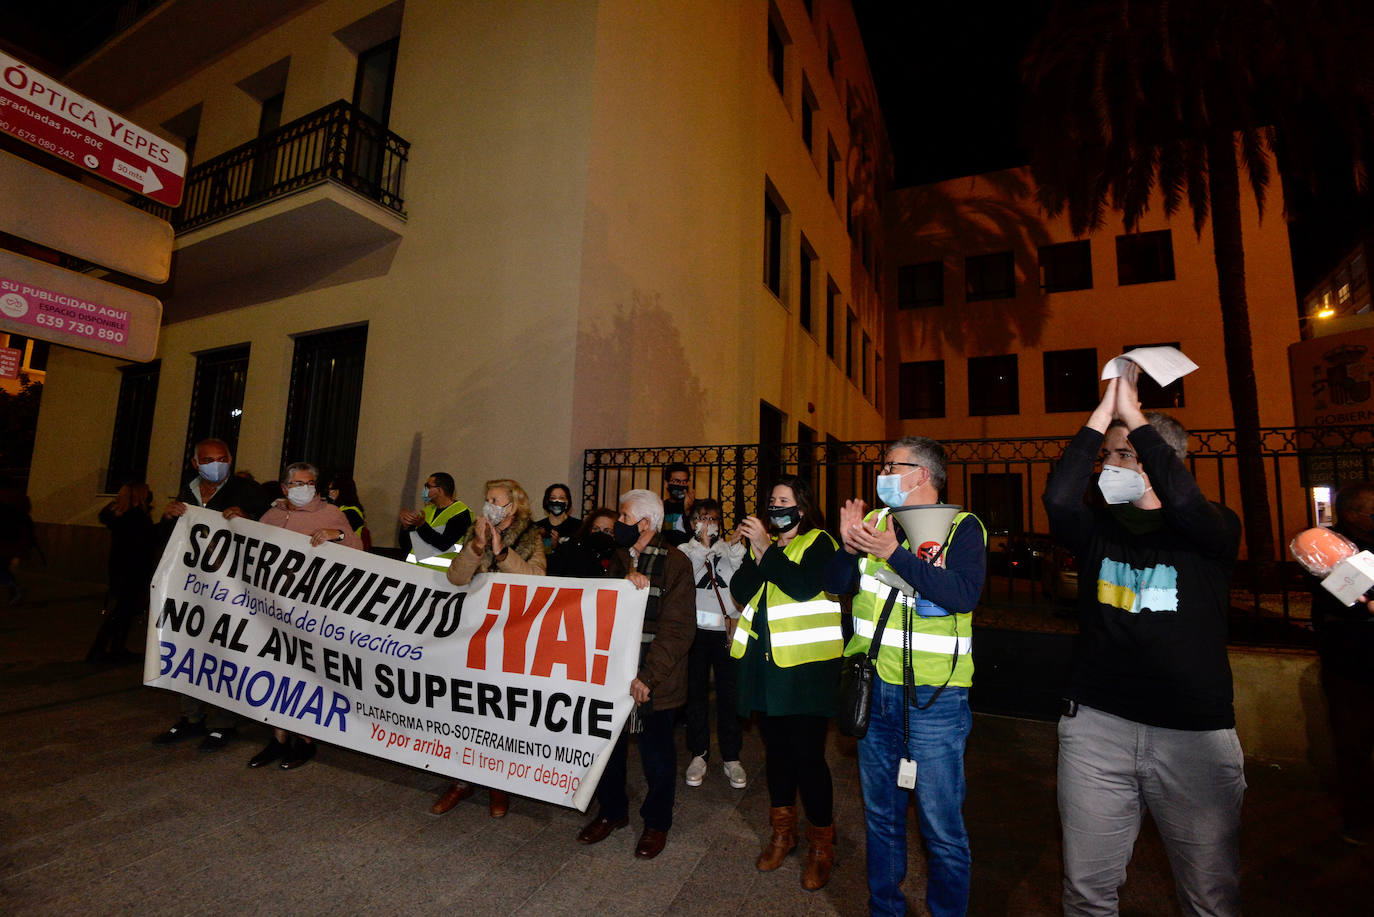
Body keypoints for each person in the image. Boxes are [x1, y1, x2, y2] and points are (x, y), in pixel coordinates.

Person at [1042, 365, 1245, 917]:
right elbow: (1059, 500)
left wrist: (1136, 419)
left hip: (1193, 738)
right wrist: (1104, 416)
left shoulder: (1212, 529)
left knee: (1209, 896)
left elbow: (1184, 505)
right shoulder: (1097, 529)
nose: (1108, 466)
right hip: (1098, 730)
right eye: (1106, 457)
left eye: (1123, 455)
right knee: (1087, 892)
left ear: (1162, 463)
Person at [823, 436, 987, 917]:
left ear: (923, 474)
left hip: (936, 701)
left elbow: (962, 594)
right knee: (881, 819)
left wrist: (895, 553)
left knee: (941, 826)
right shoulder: (874, 521)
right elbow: (836, 585)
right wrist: (848, 543)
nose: (883, 475)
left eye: (892, 466)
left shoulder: (962, 528)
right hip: (875, 693)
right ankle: (885, 909)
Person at [730, 476, 842, 889]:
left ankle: (821, 845)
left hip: (806, 672)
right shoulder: (767, 548)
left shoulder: (820, 543)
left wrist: (763, 550)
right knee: (776, 755)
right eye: (772, 501)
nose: (775, 507)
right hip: (766, 670)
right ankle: (783, 834)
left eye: (784, 500)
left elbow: (801, 586)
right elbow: (741, 588)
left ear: (802, 507)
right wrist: (760, 552)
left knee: (808, 759)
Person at [576, 489, 695, 859]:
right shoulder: (615, 558)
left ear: (645, 524)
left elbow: (677, 630)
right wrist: (624, 578)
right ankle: (612, 812)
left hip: (656, 681)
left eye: (624, 518)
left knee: (656, 757)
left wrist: (648, 677)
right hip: (611, 676)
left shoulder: (676, 563)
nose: (618, 525)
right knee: (607, 752)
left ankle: (656, 823)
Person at [432, 478, 546, 819]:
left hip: (510, 636)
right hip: (473, 634)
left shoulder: (530, 537)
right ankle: (461, 781)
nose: (488, 505)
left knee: (498, 713)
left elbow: (538, 579)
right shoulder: (473, 531)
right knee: (464, 708)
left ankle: (499, 784)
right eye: (486, 499)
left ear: (513, 505)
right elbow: (455, 577)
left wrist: (502, 552)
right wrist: (477, 548)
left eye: (495, 500)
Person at [152, 437, 272, 751]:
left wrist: (250, 522)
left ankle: (224, 723)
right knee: (188, 650)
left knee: (226, 653)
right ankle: (191, 718)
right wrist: (167, 518)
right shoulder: (186, 492)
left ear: (230, 460)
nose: (215, 464)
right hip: (190, 590)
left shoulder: (247, 493)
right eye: (207, 459)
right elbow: (169, 541)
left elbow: (271, 535)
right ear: (195, 463)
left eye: (221, 458)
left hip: (230, 592)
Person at [247, 462, 363, 770]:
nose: (305, 488)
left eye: (309, 482)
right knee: (273, 669)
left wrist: (337, 535)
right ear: (285, 488)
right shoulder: (273, 515)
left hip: (311, 608)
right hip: (272, 607)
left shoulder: (331, 513)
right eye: (297, 483)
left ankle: (306, 740)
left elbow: (358, 549)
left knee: (303, 672)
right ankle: (278, 737)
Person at [1309, 480, 1374, 847]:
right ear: (1350, 513)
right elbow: (1346, 594)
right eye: (1371, 511)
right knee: (1353, 743)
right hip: (1350, 662)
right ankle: (1358, 820)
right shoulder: (1322, 545)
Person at [680, 498, 747, 791]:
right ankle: (699, 753)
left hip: (725, 633)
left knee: (728, 695)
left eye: (714, 518)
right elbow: (688, 579)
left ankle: (732, 757)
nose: (709, 524)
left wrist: (733, 550)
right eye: (702, 518)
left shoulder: (728, 548)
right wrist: (702, 548)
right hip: (695, 633)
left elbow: (736, 583)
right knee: (695, 693)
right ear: (692, 521)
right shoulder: (684, 551)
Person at [88, 482, 157, 663]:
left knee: (125, 612)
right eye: (147, 492)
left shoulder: (121, 516)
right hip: (132, 571)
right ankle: (99, 649)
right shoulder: (135, 518)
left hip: (122, 570)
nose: (150, 494)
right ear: (140, 495)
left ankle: (117, 648)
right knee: (120, 613)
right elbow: (149, 539)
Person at [399, 472, 471, 572]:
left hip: (439, 575)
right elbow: (406, 545)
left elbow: (444, 544)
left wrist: (421, 525)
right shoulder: (427, 511)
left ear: (439, 490)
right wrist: (405, 527)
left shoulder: (460, 513)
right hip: (413, 571)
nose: (425, 489)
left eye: (428, 486)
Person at [548, 508, 617, 578]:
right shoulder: (573, 549)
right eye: (596, 529)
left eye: (607, 531)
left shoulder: (619, 556)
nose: (600, 533)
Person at [0, 474, 35, 605]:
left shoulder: (5, 499)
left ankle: (14, 588)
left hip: (5, 539)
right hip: (16, 539)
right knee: (3, 566)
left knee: (1, 567)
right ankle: (14, 589)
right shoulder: (20, 498)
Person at [536, 482, 581, 558]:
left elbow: (579, 555)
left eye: (561, 498)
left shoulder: (579, 526)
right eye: (553, 498)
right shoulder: (537, 527)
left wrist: (558, 546)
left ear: (567, 502)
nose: (557, 501)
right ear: (547, 502)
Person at [326, 475, 370, 550]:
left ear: (340, 490)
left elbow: (342, 534)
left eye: (331, 489)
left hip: (348, 553)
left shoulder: (352, 513)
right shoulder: (341, 508)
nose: (329, 492)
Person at [661, 463, 693, 546]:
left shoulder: (697, 507)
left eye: (684, 481)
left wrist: (688, 511)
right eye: (676, 481)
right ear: (666, 483)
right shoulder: (660, 508)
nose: (681, 485)